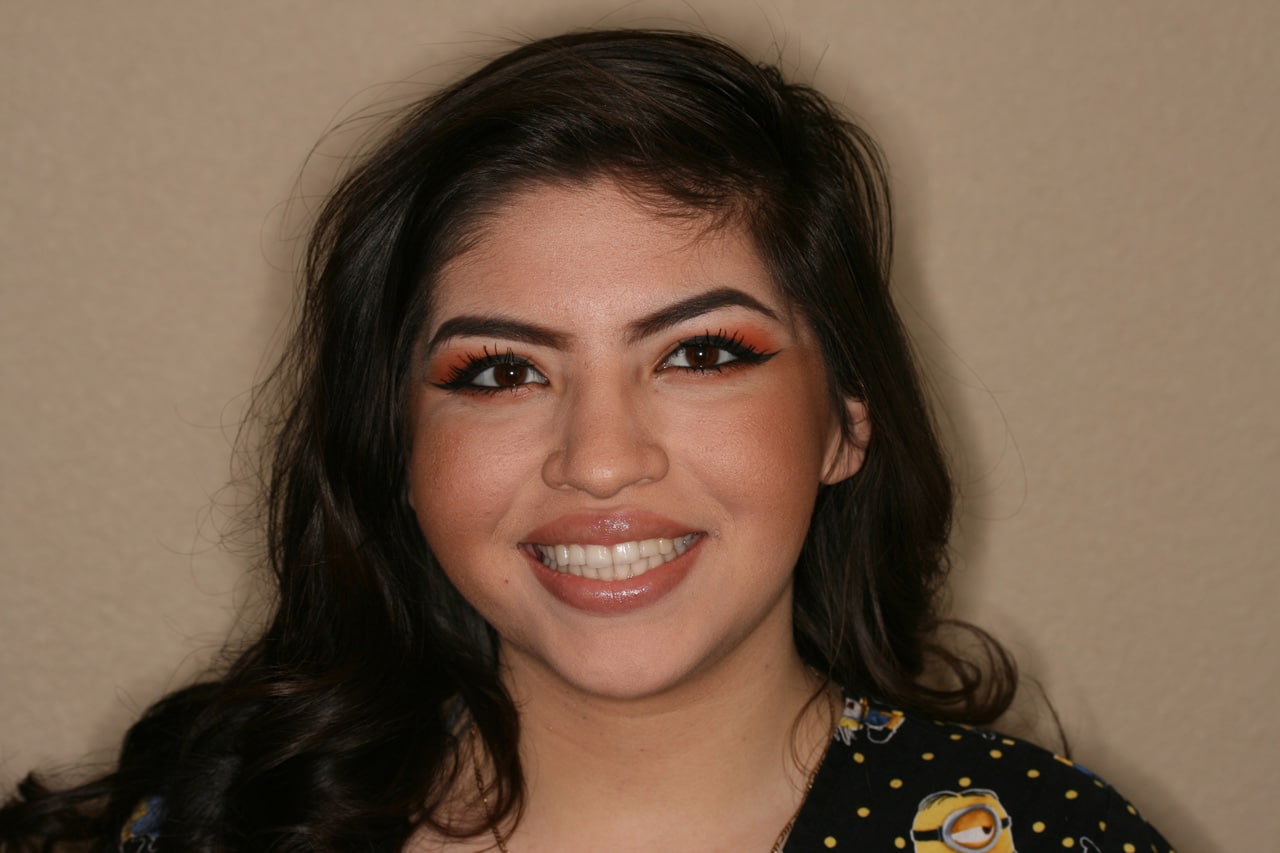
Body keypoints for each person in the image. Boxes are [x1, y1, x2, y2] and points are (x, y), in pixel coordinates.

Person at [0, 28, 1173, 853]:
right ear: (396, 451)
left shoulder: (1047, 839)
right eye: (501, 372)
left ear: (844, 420)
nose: (601, 458)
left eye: (701, 353)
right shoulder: (198, 827)